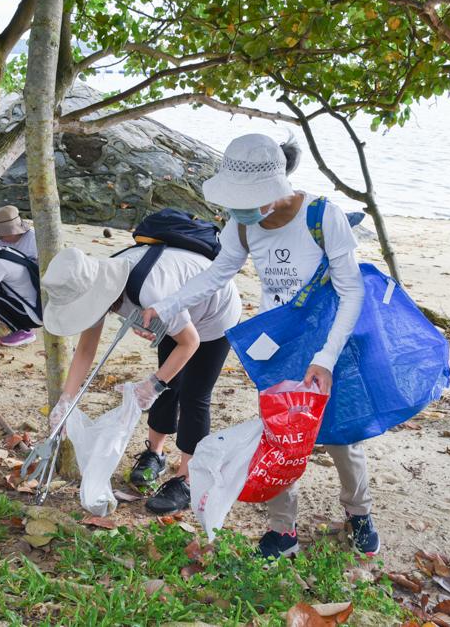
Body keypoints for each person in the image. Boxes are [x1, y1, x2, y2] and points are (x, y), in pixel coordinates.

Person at [140, 133, 379, 557]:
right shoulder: (242, 224)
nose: (241, 209)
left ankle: (358, 513)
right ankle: (283, 531)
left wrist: (325, 358)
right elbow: (218, 274)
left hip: (330, 341)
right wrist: (167, 304)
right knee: (278, 438)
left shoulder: (322, 216)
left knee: (341, 438)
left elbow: (352, 292)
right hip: (277, 344)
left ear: (277, 186)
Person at [40, 245, 241, 515]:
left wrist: (151, 386)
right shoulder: (91, 283)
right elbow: (86, 350)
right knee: (167, 385)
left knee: (193, 395)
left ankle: (186, 480)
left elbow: (190, 342)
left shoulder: (148, 290)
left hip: (214, 310)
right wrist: (67, 400)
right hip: (174, 310)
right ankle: (155, 455)